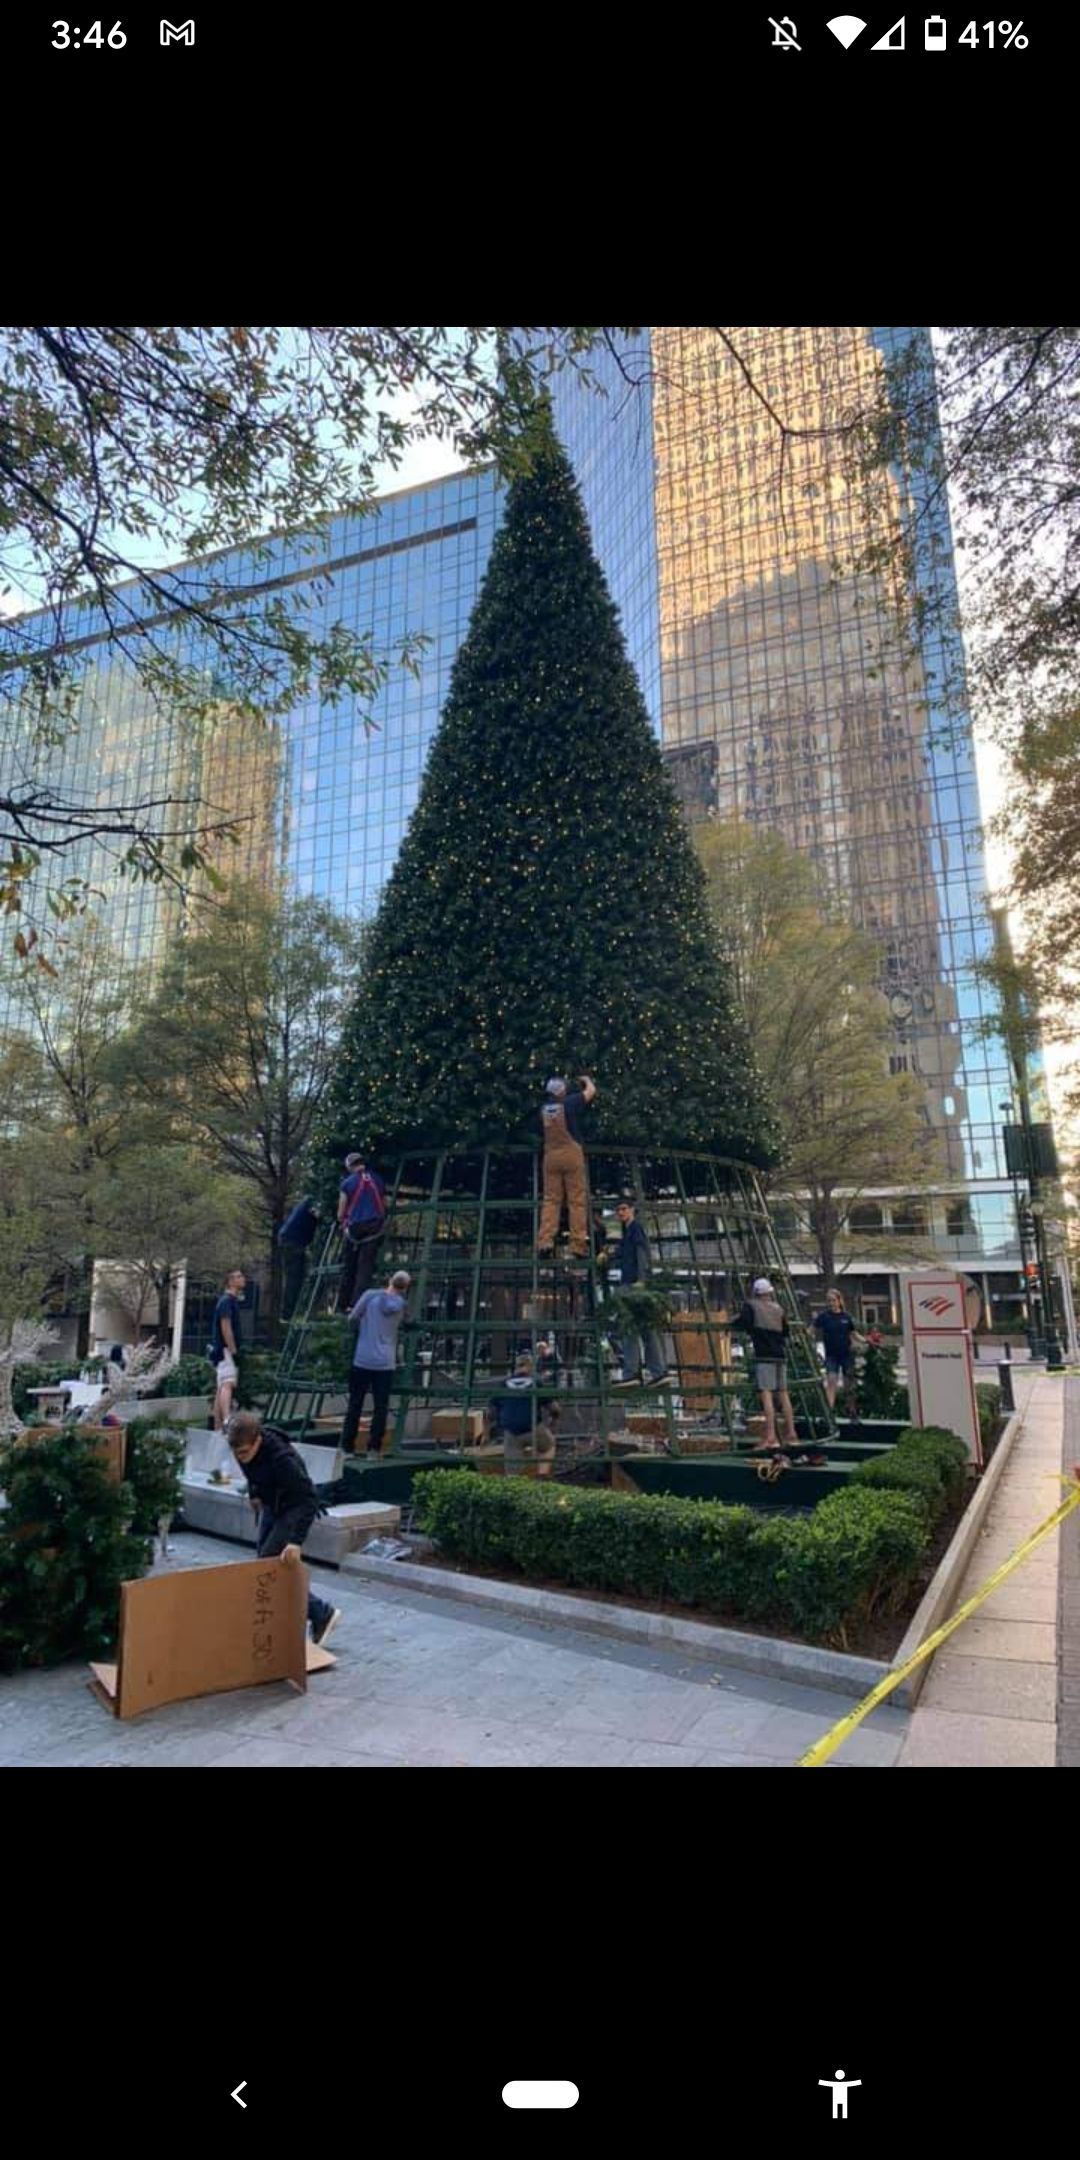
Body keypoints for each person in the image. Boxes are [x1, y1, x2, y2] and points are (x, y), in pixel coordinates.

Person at [227, 1411, 341, 1648]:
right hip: (273, 1502)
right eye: (237, 1454)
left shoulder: (283, 1459)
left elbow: (309, 1500)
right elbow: (251, 1471)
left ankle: (321, 1612)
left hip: (294, 1506)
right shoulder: (242, 1447)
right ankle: (305, 1615)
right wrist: (255, 1493)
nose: (242, 1458)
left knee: (269, 1567)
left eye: (245, 1452)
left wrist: (295, 1541)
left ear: (258, 1440)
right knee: (265, 1567)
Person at [342, 1268, 411, 1457]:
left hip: (363, 1359)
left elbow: (353, 1317)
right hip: (386, 1363)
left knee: (355, 1404)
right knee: (381, 1407)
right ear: (405, 1287)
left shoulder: (370, 1296)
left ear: (390, 1280)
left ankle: (347, 1446)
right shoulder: (402, 1305)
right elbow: (406, 1321)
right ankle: (374, 1448)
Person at [732, 1276, 798, 1453]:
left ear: (755, 1293)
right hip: (780, 1355)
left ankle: (771, 1437)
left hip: (764, 1356)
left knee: (766, 1395)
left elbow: (743, 1323)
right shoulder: (779, 1309)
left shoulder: (751, 1306)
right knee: (783, 1394)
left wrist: (733, 1322)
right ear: (769, 1292)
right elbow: (785, 1331)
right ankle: (792, 1435)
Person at [609, 1196, 667, 1387]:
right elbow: (624, 1252)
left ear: (632, 1209)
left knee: (630, 1329)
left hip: (634, 1286)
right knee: (645, 1328)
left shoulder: (636, 1229)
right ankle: (657, 1372)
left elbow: (642, 1253)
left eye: (624, 1209)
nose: (620, 1213)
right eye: (618, 1210)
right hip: (634, 1285)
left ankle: (633, 1374)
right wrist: (608, 1255)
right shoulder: (628, 1232)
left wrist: (641, 1280)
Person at [537, 1074, 596, 1259]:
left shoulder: (544, 1109)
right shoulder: (570, 1103)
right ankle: (578, 1245)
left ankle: (545, 1242)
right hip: (571, 1155)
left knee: (551, 1200)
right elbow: (591, 1092)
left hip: (550, 1157)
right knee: (576, 1200)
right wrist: (586, 1080)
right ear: (562, 1091)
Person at [336, 1152, 387, 1313]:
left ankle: (342, 1304)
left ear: (350, 1166)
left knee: (349, 1266)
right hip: (375, 1227)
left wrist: (343, 1223)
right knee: (366, 1267)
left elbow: (341, 1213)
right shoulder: (378, 1180)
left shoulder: (348, 1183)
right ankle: (358, 1304)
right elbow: (384, 1205)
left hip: (355, 1228)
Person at [814, 1287, 864, 1409]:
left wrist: (866, 1340)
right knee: (831, 1381)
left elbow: (853, 1333)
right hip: (831, 1355)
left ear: (839, 1301)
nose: (831, 1303)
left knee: (849, 1384)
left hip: (846, 1354)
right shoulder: (824, 1317)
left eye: (833, 1300)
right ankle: (829, 1409)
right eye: (829, 1300)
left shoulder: (846, 1317)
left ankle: (852, 1411)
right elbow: (811, 1329)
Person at [210, 1268, 246, 1432]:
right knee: (227, 1383)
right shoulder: (226, 1301)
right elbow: (226, 1327)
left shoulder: (230, 1301)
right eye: (238, 1276)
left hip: (222, 1350)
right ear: (230, 1281)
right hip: (225, 1350)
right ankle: (226, 1420)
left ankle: (218, 1426)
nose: (242, 1279)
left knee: (221, 1385)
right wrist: (233, 1350)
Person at [278, 1196, 320, 1320]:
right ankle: (288, 1313)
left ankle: (290, 1311)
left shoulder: (308, 1200)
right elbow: (318, 1214)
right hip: (293, 1242)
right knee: (294, 1278)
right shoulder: (313, 1201)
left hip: (291, 1240)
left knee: (296, 1277)